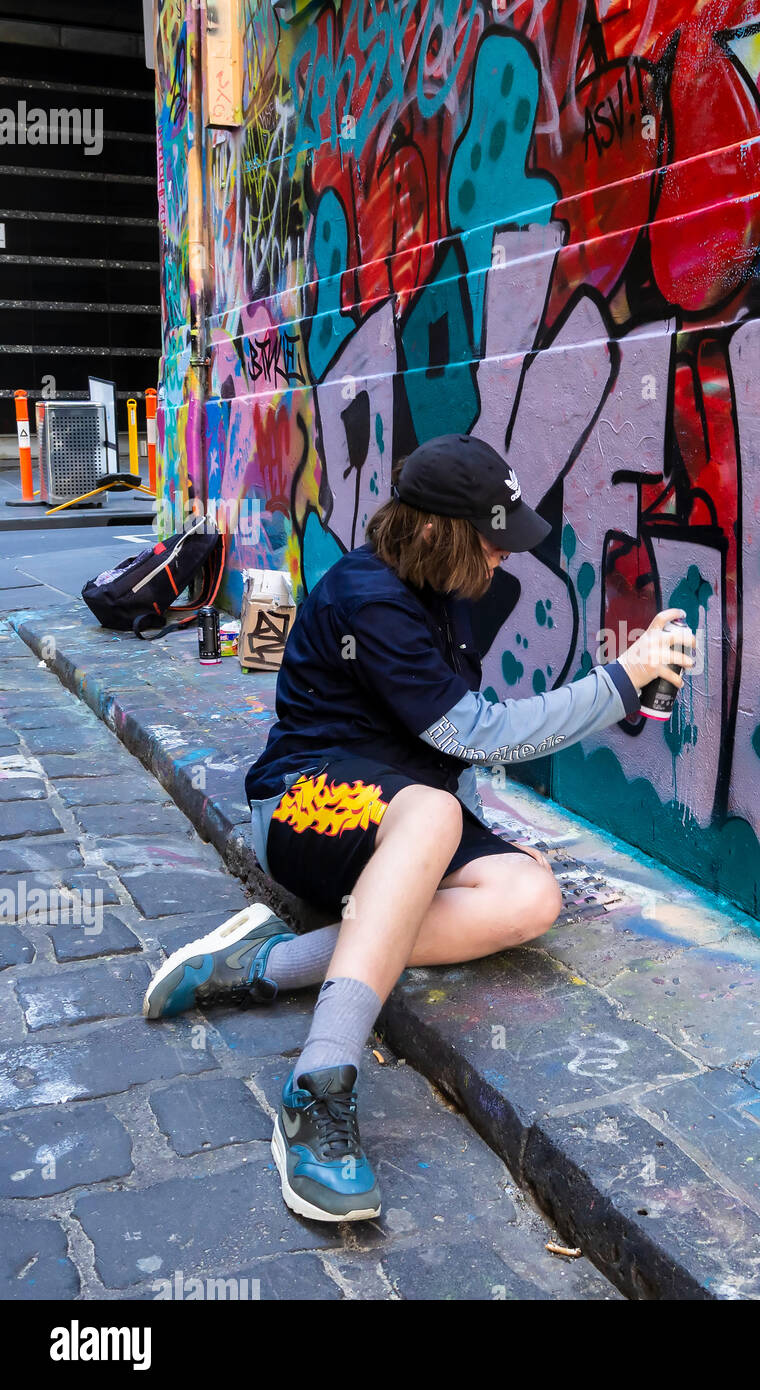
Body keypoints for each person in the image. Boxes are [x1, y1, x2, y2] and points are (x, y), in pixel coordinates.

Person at [141, 433, 695, 1223]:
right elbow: (477, 734)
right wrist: (620, 679)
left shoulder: (446, 583)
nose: (504, 558)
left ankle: (266, 964)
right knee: (436, 811)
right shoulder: (370, 598)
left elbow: (435, 747)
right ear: (435, 530)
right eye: (492, 542)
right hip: (301, 806)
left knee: (528, 895)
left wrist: (484, 836)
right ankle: (318, 1084)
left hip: (397, 809)